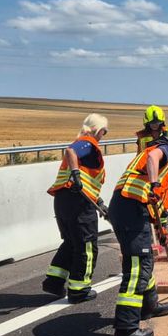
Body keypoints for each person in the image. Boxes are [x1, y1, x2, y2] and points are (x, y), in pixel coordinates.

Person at [107, 121, 168, 336]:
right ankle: (126, 328)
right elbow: (153, 159)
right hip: (129, 208)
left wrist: (160, 229)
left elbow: (153, 203)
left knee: (142, 261)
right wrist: (155, 184)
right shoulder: (166, 148)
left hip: (129, 207)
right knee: (139, 265)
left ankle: (149, 306)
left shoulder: (161, 150)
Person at [43, 113, 108, 302]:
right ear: (99, 130)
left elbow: (88, 184)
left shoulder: (85, 145)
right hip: (77, 203)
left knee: (71, 242)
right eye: (105, 131)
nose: (104, 135)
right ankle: (79, 290)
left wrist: (101, 204)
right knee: (86, 246)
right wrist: (76, 174)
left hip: (64, 200)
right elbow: (70, 151)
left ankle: (53, 282)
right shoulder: (87, 143)